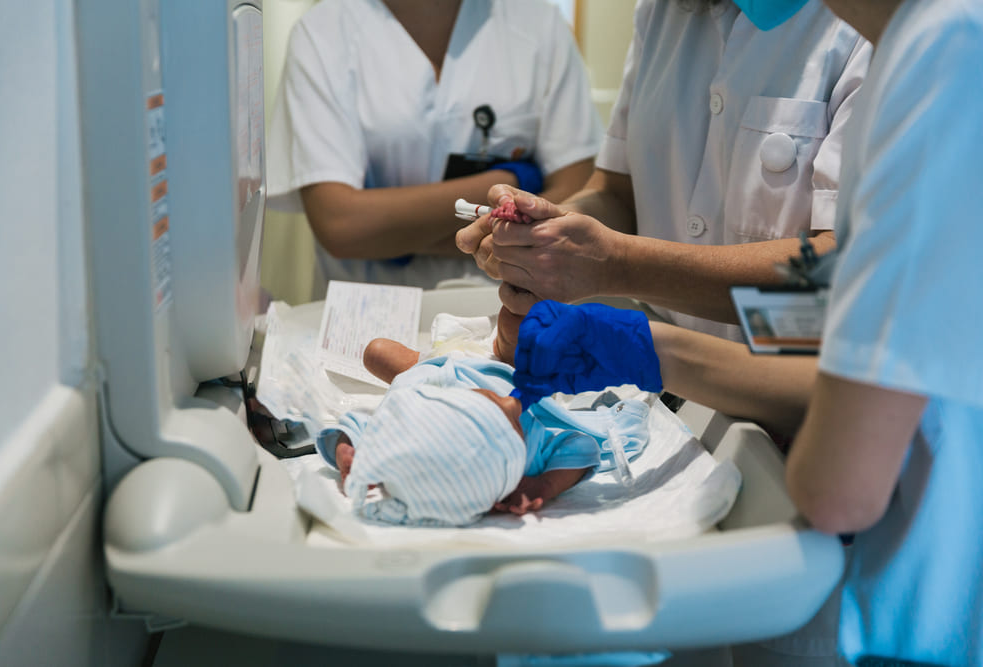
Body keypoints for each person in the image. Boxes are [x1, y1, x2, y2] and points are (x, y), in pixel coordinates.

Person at [510, 0, 983, 662]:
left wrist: (629, 292)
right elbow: (844, 297)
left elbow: (838, 477)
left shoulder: (942, 52)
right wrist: (647, 341)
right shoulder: (921, 43)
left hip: (922, 590)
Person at [457, 0, 871, 342]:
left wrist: (616, 264)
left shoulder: (866, 28)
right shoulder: (659, 13)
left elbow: (840, 275)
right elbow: (618, 192)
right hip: (667, 377)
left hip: (790, 394)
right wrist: (544, 233)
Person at [266, 0, 603, 290]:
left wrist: (391, 237)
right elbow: (340, 225)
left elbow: (575, 204)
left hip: (506, 311)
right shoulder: (323, 32)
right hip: (365, 315)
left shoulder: (540, 28)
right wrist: (515, 181)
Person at [315, 322, 652, 526]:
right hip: (499, 365)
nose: (511, 403)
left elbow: (358, 423)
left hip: (428, 370)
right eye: (515, 424)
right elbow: (583, 446)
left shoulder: (407, 421)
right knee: (524, 327)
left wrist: (346, 449)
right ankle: (504, 338)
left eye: (491, 403)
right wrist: (545, 486)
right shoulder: (528, 459)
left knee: (376, 351)